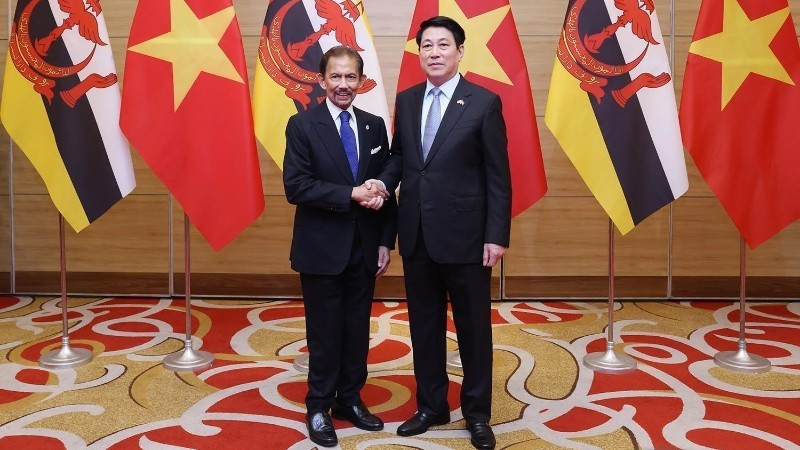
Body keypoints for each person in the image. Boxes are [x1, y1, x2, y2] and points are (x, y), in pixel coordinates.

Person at [378, 16, 511, 450]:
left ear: (459, 51)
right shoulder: (408, 99)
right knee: (424, 326)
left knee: (474, 329)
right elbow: (401, 159)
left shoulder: (484, 102)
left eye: (442, 45)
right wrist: (381, 182)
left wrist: (496, 234)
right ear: (419, 53)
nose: (434, 52)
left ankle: (476, 414)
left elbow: (498, 177)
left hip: (469, 237)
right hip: (416, 233)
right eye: (427, 46)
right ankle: (432, 405)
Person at [283, 45, 396, 448]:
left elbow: (384, 183)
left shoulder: (373, 125)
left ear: (361, 81)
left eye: (351, 77)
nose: (344, 85)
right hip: (321, 249)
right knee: (324, 332)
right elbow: (296, 187)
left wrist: (386, 241)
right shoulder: (302, 125)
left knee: (355, 329)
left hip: (365, 247)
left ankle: (350, 398)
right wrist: (351, 193)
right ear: (322, 79)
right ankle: (318, 405)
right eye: (336, 77)